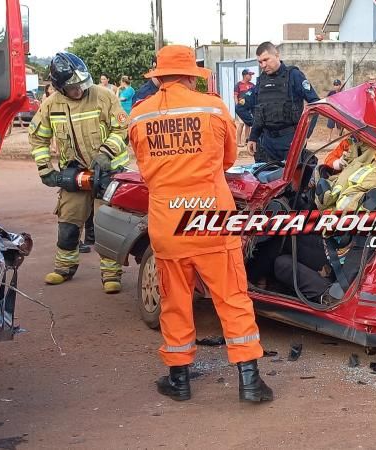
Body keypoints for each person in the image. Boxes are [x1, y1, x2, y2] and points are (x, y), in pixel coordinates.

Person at [128, 45, 272, 403]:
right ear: (192, 75)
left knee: (175, 301)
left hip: (168, 223)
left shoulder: (140, 115)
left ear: (158, 78)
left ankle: (179, 380)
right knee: (233, 299)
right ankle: (250, 382)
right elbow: (227, 159)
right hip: (211, 218)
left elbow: (144, 169)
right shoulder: (212, 107)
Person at [28, 52, 129, 293]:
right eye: (74, 87)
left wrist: (105, 153)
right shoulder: (51, 105)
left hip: (109, 173)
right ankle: (64, 267)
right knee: (68, 224)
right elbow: (37, 138)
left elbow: (122, 127)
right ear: (60, 87)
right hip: (74, 174)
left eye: (83, 83)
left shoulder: (103, 96)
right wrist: (46, 171)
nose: (80, 90)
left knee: (107, 225)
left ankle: (111, 275)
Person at [247, 41, 320, 162]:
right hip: (267, 143)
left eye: (266, 60)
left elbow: (316, 103)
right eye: (260, 62)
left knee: (292, 180)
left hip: (290, 141)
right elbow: (259, 111)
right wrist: (253, 137)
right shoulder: (261, 80)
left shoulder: (294, 75)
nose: (263, 65)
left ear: (277, 55)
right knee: (266, 178)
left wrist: (304, 135)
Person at [234, 69, 255, 146]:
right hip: (241, 108)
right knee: (241, 124)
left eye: (251, 75)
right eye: (249, 75)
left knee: (248, 124)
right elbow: (235, 96)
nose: (251, 76)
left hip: (249, 107)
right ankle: (238, 142)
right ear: (244, 75)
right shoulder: (238, 85)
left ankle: (246, 140)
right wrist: (237, 106)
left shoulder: (252, 85)